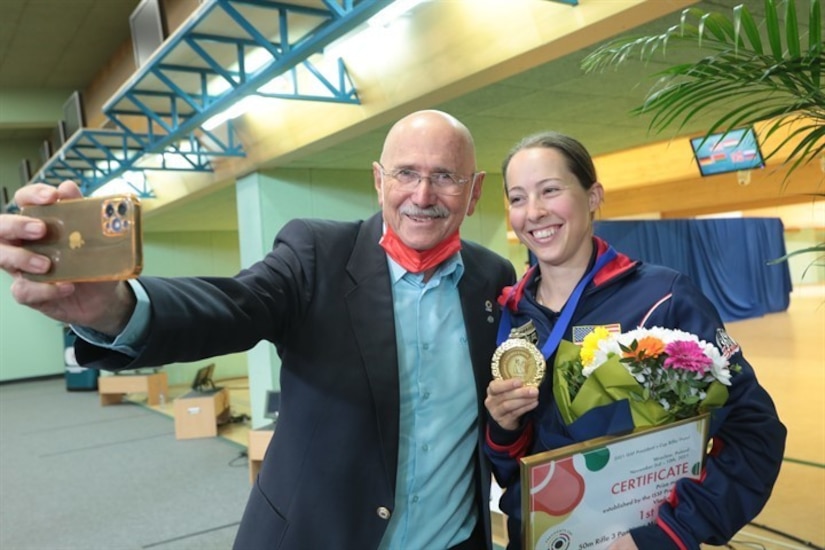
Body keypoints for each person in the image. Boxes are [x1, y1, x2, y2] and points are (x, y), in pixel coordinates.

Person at [0, 110, 516, 549]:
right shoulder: (317, 255)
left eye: (446, 176)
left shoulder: (493, 278)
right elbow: (234, 306)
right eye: (406, 173)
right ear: (380, 181)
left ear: (474, 192)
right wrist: (112, 307)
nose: (422, 194)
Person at [483, 131, 786, 550]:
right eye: (517, 198)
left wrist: (667, 533)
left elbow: (755, 431)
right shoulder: (511, 314)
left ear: (593, 197)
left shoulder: (663, 297)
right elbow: (510, 468)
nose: (532, 212)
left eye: (549, 191)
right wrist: (503, 426)